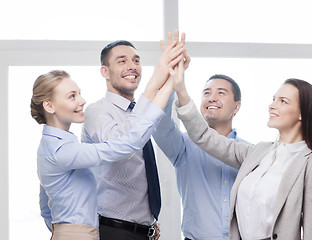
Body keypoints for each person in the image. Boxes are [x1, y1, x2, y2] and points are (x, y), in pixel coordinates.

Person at [32, 42, 183, 240]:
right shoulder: (63, 147)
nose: (82, 101)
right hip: (107, 231)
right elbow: (126, 144)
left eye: (136, 60)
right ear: (49, 106)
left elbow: (46, 204)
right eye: (72, 96)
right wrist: (163, 82)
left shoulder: (62, 146)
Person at [170, 59, 312, 240]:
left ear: (302, 113)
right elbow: (204, 137)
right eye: (273, 99)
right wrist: (180, 89)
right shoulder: (258, 152)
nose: (272, 105)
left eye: (283, 101)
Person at [81, 33, 189, 240]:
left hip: (145, 232)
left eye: (136, 61)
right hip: (113, 230)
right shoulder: (97, 111)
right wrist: (154, 84)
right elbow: (123, 145)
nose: (132, 66)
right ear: (105, 71)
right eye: (122, 61)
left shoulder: (141, 110)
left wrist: (172, 78)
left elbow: (161, 120)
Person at [153, 71, 250, 239]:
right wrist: (172, 82)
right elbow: (160, 124)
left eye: (221, 92)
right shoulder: (183, 146)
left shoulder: (249, 152)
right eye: (207, 93)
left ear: (236, 106)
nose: (211, 98)